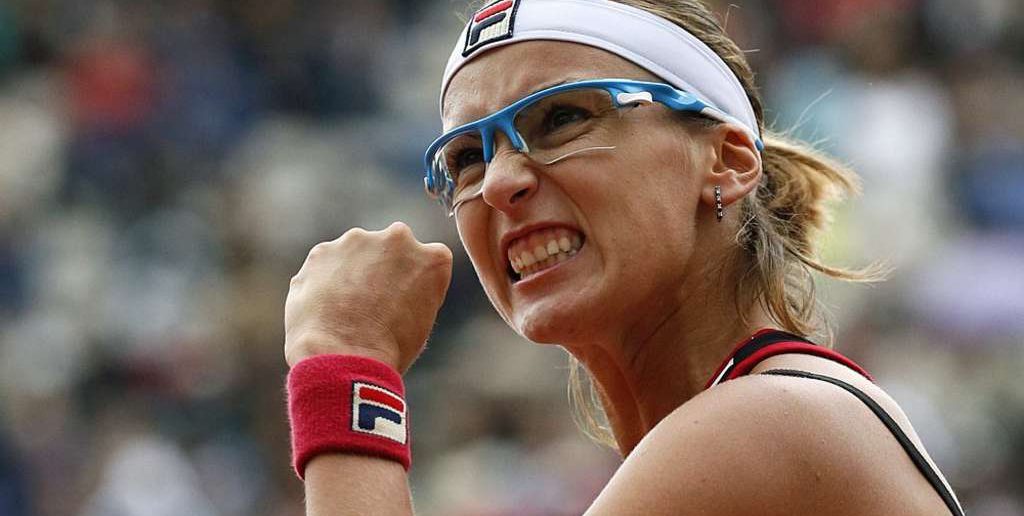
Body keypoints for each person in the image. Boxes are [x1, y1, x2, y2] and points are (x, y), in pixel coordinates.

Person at [282, 0, 966, 514]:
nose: (497, 183)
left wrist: (347, 364)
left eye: (562, 118)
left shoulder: (770, 421)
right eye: (466, 158)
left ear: (726, 161)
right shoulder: (753, 416)